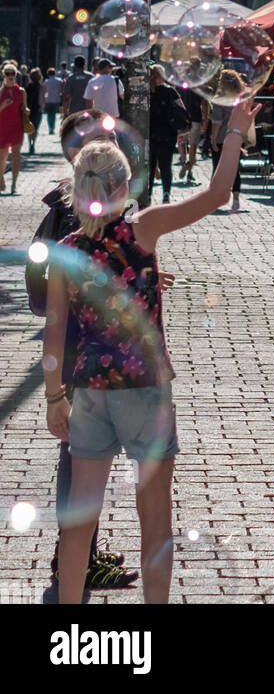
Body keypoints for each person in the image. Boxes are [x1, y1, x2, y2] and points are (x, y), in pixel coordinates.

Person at [42, 95, 260, 604]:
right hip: (145, 391)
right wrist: (233, 129)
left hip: (90, 393)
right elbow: (217, 192)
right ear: (124, 187)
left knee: (80, 521)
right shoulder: (143, 230)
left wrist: (56, 398)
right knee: (155, 519)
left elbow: (54, 336)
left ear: (77, 191)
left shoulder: (67, 250)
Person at [26, 110, 140, 592]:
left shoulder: (73, 205)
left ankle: (81, 552)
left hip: (84, 355)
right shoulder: (77, 214)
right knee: (79, 462)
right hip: (85, 357)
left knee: (79, 459)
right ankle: (72, 560)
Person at [148, 65, 189, 204]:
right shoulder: (170, 91)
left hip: (150, 133)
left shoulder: (147, 91)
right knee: (166, 165)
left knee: (150, 166)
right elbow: (182, 110)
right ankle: (166, 194)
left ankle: (147, 195)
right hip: (168, 133)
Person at [208, 71, 246, 213]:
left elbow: (217, 122)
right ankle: (236, 200)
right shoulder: (241, 98)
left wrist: (213, 138)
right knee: (235, 170)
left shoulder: (220, 98)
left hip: (222, 138)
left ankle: (214, 199)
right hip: (237, 138)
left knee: (217, 169)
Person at [0, 61, 27, 193]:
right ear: (3, 75)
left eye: (13, 73)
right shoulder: (0, 92)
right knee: (2, 156)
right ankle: (1, 178)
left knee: (16, 154)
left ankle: (14, 184)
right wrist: (3, 105)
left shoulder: (21, 91)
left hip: (17, 126)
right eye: (7, 73)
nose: (10, 76)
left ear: (16, 75)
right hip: (2, 127)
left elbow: (24, 108)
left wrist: (26, 111)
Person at [178, 88, 206, 184]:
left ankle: (183, 162)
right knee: (193, 146)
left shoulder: (179, 85)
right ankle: (189, 170)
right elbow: (204, 103)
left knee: (182, 143)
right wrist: (205, 119)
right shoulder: (197, 86)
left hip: (182, 119)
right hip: (196, 118)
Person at [25, 66, 44, 154]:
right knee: (36, 128)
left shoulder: (28, 86)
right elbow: (43, 99)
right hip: (38, 109)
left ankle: (30, 144)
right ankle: (33, 143)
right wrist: (43, 108)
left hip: (29, 109)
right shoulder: (41, 87)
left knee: (30, 127)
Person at [43, 68, 64, 135]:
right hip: (56, 99)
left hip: (48, 99)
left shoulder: (46, 81)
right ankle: (53, 127)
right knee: (54, 114)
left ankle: (50, 127)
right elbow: (61, 90)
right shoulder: (59, 81)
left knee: (49, 114)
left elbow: (44, 91)